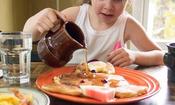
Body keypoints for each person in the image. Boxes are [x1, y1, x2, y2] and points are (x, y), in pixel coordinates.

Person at [23, 0, 164, 67]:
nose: (109, 6)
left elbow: (161, 56)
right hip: (66, 86)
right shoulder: (75, 15)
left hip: (107, 95)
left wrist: (134, 55)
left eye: (118, 0)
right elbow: (28, 36)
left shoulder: (127, 24)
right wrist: (37, 20)